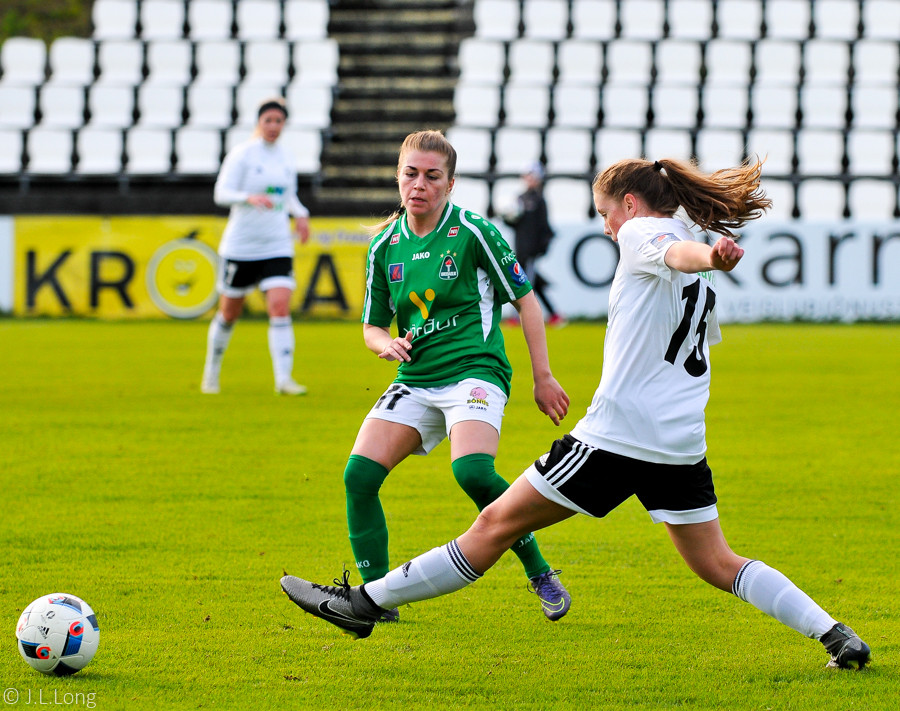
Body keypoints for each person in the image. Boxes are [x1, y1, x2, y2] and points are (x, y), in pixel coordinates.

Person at [281, 156, 872, 671]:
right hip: (678, 442)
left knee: (493, 527)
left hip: (616, 437)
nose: (606, 225)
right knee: (718, 562)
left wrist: (710, 257)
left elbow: (678, 254)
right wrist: (709, 258)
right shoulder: (680, 257)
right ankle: (835, 633)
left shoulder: (643, 233)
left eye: (605, 212)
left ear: (630, 204)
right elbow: (687, 295)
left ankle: (362, 604)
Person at [335, 130, 572, 623]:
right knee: (359, 476)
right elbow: (372, 326)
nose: (419, 184)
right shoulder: (383, 246)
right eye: (410, 174)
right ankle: (377, 600)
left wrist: (543, 377)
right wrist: (385, 344)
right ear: (398, 177)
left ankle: (539, 570)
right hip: (416, 377)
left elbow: (526, 301)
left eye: (432, 176)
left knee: (472, 472)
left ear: (450, 183)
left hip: (474, 370)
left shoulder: (472, 231)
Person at [201, 96, 310, 395]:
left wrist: (301, 214)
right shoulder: (243, 154)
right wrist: (247, 198)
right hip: (242, 246)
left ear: (284, 124)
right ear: (259, 123)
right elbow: (221, 193)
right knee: (229, 313)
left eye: (278, 121)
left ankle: (284, 380)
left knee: (279, 306)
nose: (273, 126)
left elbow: (288, 195)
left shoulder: (286, 157)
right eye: (268, 120)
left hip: (276, 243)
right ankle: (211, 372)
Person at [501, 162, 565, 327]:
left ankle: (517, 317)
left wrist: (542, 247)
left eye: (532, 176)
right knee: (532, 283)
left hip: (531, 251)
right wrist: (506, 217)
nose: (529, 179)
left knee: (524, 284)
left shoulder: (539, 200)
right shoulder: (519, 198)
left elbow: (544, 227)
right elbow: (514, 224)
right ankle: (555, 315)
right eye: (527, 176)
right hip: (519, 249)